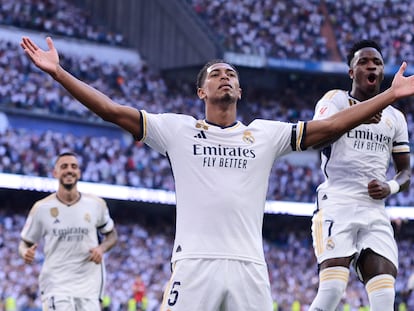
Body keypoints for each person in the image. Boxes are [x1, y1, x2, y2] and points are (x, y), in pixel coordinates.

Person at [20, 36, 414, 311]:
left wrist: (390, 96)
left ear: (239, 92)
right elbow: (111, 110)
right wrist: (59, 73)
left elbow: (326, 130)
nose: (225, 76)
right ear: (201, 92)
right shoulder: (176, 130)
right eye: (215, 74)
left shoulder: (264, 134)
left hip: (249, 268)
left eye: (231, 75)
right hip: (194, 265)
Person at [308, 40, 411, 311]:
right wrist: (357, 117)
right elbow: (315, 141)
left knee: (385, 297)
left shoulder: (395, 118)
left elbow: (405, 172)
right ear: (351, 72)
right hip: (337, 201)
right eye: (363, 62)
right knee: (332, 290)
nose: (371, 66)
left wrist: (390, 186)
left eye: (376, 62)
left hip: (374, 209)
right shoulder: (335, 100)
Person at [19, 151, 118, 311]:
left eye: (73, 166)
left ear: (79, 172)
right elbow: (25, 243)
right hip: (56, 286)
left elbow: (112, 235)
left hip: (89, 287)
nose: (69, 170)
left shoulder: (96, 204)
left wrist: (102, 248)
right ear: (55, 172)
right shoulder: (42, 208)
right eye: (64, 166)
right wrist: (25, 252)